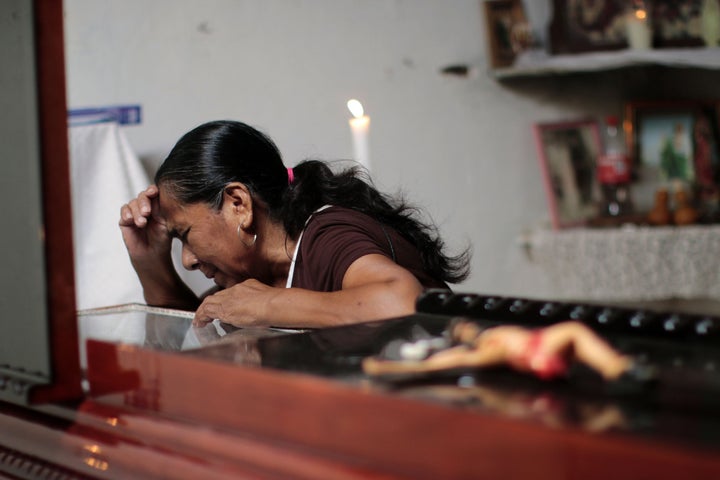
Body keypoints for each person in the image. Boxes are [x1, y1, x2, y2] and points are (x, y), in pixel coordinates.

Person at [119, 120, 470, 329]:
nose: (188, 260)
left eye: (186, 235)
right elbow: (190, 340)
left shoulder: (327, 233)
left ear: (238, 204)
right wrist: (149, 262)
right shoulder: (253, 275)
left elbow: (403, 302)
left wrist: (269, 306)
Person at [363, 320, 634, 382]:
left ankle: (614, 364)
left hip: (538, 342)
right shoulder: (484, 351)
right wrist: (389, 367)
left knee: (577, 338)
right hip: (533, 351)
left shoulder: (489, 335)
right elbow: (437, 365)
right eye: (463, 330)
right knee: (574, 331)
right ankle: (614, 366)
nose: (469, 327)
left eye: (467, 324)